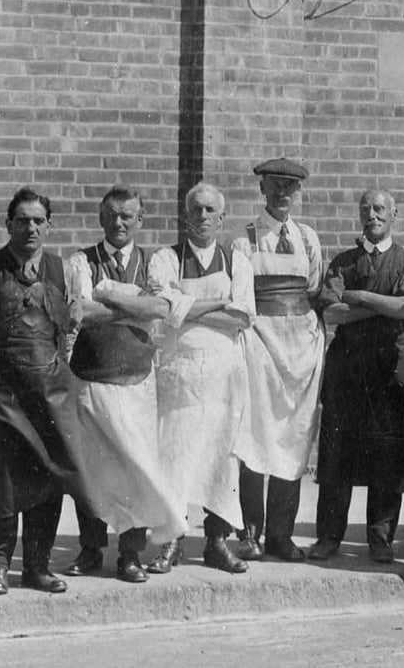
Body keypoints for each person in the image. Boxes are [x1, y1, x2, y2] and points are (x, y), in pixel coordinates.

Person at [0, 187, 90, 595]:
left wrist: (50, 372)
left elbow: (67, 330)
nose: (31, 227)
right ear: (8, 224)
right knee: (0, 482)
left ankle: (37, 567)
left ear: (49, 225)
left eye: (38, 220)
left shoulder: (61, 271)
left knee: (49, 477)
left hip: (48, 396)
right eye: (22, 220)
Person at [62, 186, 188, 583]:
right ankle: (90, 549)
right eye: (112, 215)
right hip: (90, 379)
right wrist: (134, 304)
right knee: (91, 470)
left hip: (136, 381)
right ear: (101, 218)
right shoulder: (82, 260)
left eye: (128, 216)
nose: (119, 222)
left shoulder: (156, 262)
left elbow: (162, 309)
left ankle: (129, 555)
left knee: (135, 467)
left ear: (140, 220)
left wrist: (110, 296)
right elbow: (81, 312)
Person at [312, 189, 404, 563]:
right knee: (337, 456)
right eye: (366, 209)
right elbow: (331, 314)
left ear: (395, 215)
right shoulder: (343, 261)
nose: (372, 215)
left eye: (379, 209)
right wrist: (383, 307)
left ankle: (380, 538)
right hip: (347, 369)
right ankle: (329, 538)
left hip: (391, 370)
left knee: (387, 456)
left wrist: (358, 297)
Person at [146, 182, 254, 573]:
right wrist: (216, 304)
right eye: (196, 210)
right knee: (174, 456)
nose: (203, 216)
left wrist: (187, 307)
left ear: (222, 218)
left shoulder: (236, 260)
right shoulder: (165, 259)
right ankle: (171, 542)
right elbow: (162, 307)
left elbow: (242, 316)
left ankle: (217, 541)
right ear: (185, 216)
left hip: (225, 376)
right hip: (180, 377)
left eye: (211, 210)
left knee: (221, 459)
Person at [232, 158, 324, 563]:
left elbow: (315, 288)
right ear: (262, 190)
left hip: (301, 353)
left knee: (293, 437)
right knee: (255, 438)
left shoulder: (308, 239)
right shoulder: (245, 240)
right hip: (260, 346)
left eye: (290, 187)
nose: (283, 194)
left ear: (298, 192)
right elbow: (240, 299)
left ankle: (281, 535)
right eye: (275, 186)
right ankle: (251, 532)